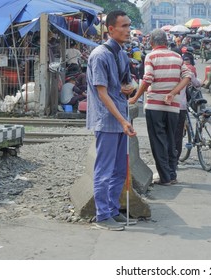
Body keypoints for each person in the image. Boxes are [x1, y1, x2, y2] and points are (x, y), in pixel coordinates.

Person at [86, 10, 138, 231]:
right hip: (107, 120)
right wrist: (123, 120)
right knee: (104, 169)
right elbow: (102, 93)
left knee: (119, 170)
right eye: (123, 26)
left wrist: (130, 88)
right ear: (111, 29)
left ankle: (113, 210)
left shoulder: (122, 54)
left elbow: (126, 85)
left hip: (121, 118)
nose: (128, 30)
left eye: (129, 26)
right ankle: (102, 215)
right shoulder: (99, 55)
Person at [129, 29, 192, 186]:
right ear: (166, 42)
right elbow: (187, 77)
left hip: (155, 106)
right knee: (171, 139)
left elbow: (148, 78)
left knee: (158, 141)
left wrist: (135, 98)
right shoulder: (177, 57)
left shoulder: (151, 56)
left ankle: (165, 178)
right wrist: (173, 93)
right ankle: (172, 174)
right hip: (173, 107)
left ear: (151, 43)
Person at [175, 56, 200, 162]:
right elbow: (197, 83)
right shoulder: (189, 71)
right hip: (181, 106)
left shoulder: (172, 71)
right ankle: (175, 160)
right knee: (178, 135)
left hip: (168, 106)